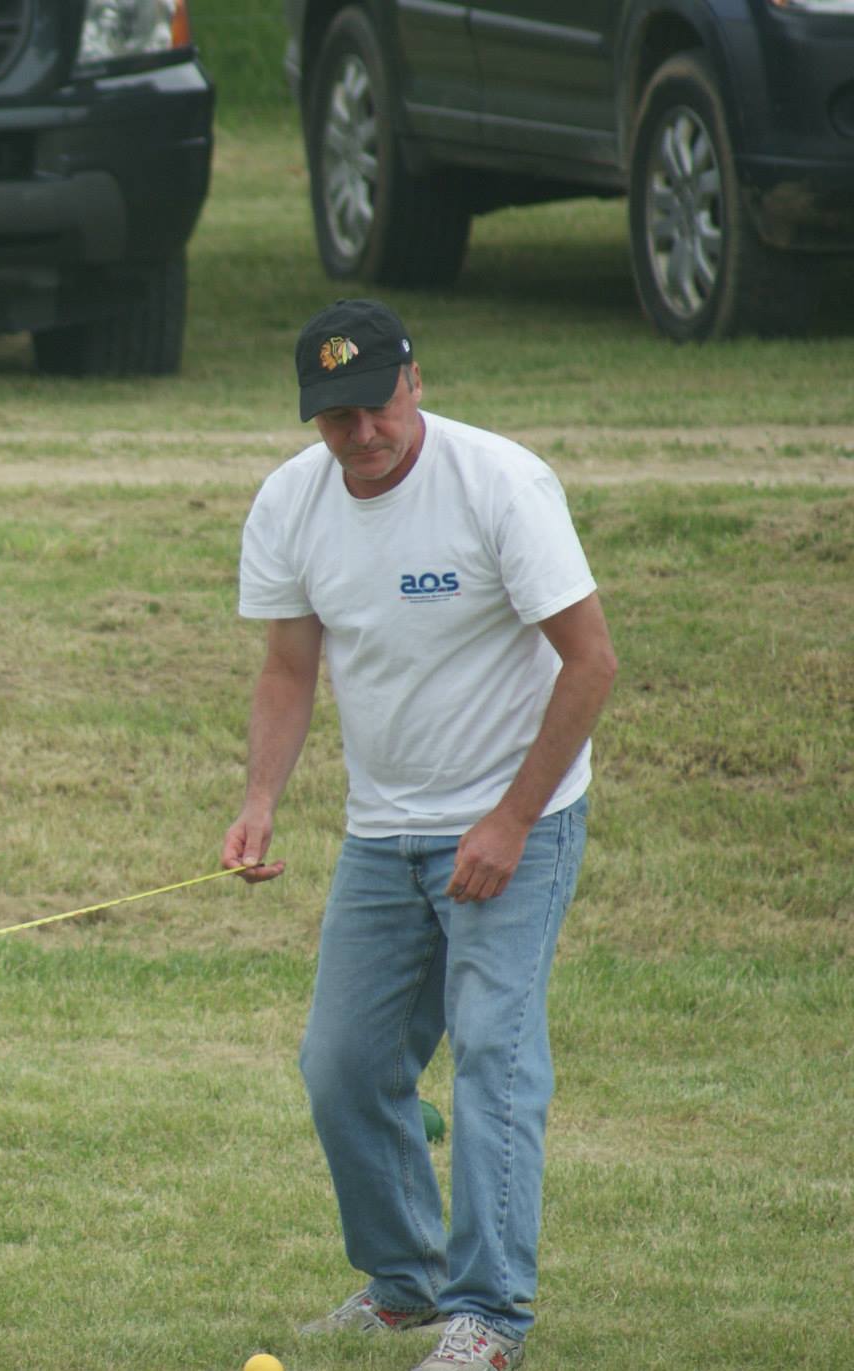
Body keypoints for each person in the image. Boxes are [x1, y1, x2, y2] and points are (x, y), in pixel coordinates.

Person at [221, 301, 617, 1371]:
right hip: (381, 832)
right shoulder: (290, 502)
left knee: (492, 1055)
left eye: (376, 406)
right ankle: (405, 1286)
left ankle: (489, 1316)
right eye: (335, 417)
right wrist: (259, 800)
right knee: (342, 1066)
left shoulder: (500, 485)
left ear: (415, 382)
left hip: (517, 821)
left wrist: (509, 820)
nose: (361, 434)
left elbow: (590, 662)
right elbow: (288, 667)